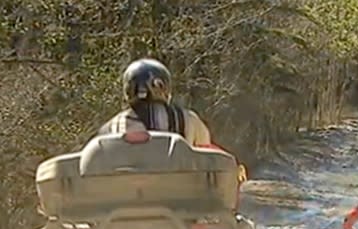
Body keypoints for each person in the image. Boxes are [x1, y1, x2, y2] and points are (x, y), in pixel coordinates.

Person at [97, 58, 248, 183]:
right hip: (181, 200)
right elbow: (206, 151)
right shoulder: (188, 119)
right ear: (163, 86)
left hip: (123, 201)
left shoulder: (109, 128)